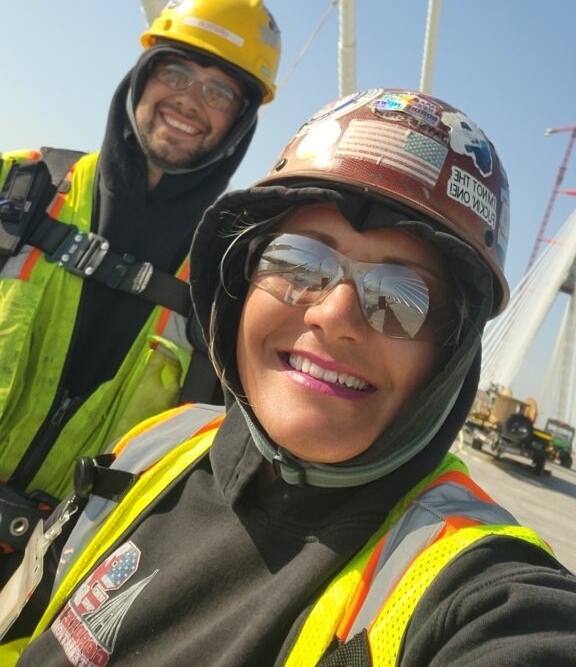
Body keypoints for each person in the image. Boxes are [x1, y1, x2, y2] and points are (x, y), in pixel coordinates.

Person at [3, 87, 576, 666]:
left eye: (403, 298)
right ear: (243, 283)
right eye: (298, 262)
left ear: (450, 354)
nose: (334, 315)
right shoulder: (155, 448)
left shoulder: (469, 591)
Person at [0, 0, 281, 545]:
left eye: (219, 92)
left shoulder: (230, 287)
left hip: (62, 588)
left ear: (240, 124)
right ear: (141, 78)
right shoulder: (17, 191)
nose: (189, 100)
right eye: (175, 73)